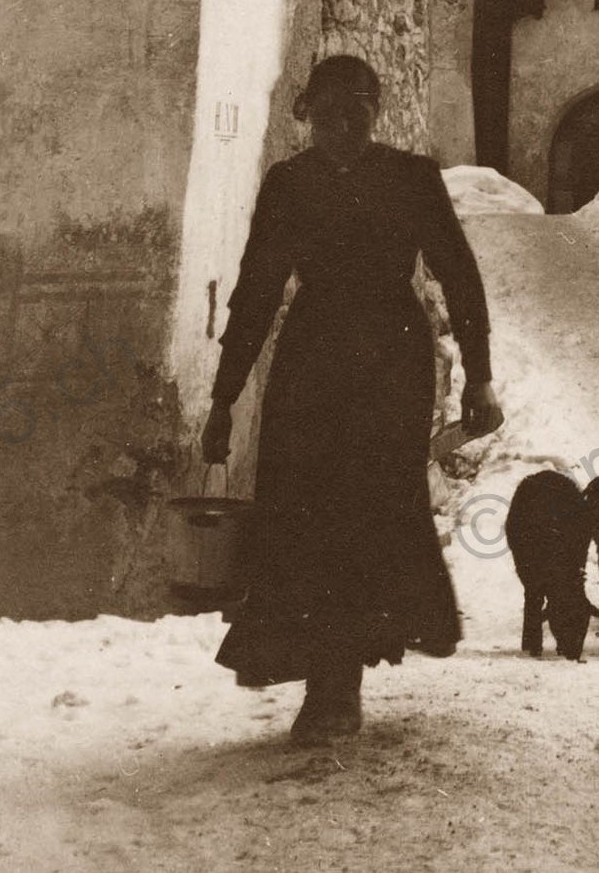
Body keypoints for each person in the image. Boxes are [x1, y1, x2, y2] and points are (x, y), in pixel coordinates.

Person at [200, 53, 502, 746]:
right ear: (306, 114)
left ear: (377, 109)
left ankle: (341, 681)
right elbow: (256, 291)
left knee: (368, 511)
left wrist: (479, 376)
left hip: (391, 362)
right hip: (309, 363)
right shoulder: (288, 185)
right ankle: (324, 677)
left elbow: (460, 275)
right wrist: (224, 399)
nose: (343, 123)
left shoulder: (411, 178)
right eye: (328, 110)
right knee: (301, 513)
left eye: (358, 107)